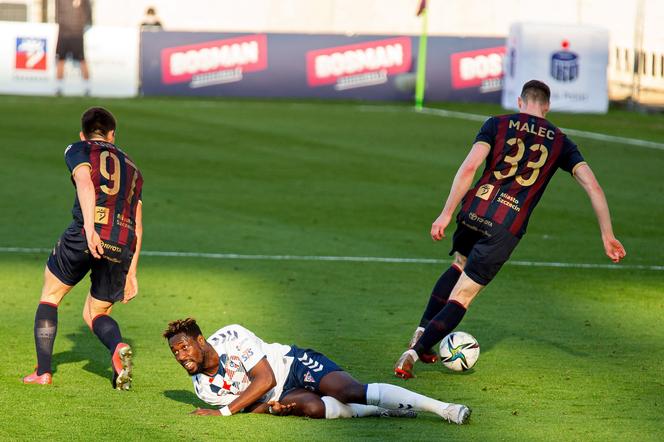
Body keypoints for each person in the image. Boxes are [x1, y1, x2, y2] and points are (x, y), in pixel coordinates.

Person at [394, 80, 626, 379]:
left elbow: (470, 167)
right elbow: (592, 186)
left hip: (474, 209)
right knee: (463, 296)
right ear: (547, 106)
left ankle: (421, 334)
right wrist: (607, 235)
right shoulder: (561, 141)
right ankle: (413, 354)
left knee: (459, 264)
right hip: (506, 225)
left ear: (520, 102)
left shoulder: (497, 124)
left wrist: (446, 212)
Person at [23, 107, 144, 390]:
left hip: (87, 233)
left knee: (51, 295)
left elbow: (84, 184)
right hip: (122, 242)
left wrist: (90, 229)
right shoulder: (133, 168)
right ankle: (117, 347)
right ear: (113, 135)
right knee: (96, 314)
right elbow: (137, 224)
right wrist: (132, 271)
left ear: (83, 134)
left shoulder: (78, 149)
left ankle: (43, 372)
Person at [164, 318, 471, 424]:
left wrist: (223, 415)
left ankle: (443, 409)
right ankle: (382, 411)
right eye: (176, 352)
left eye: (184, 347)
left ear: (201, 341)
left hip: (292, 364)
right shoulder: (202, 389)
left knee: (348, 391)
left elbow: (265, 378)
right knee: (310, 408)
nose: (181, 356)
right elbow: (250, 405)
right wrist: (271, 410)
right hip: (281, 392)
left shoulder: (230, 336)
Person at [55, 0, 92, 96]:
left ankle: (87, 88)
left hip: (77, 33)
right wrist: (61, 22)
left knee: (82, 59)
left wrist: (80, 25)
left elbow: (88, 12)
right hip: (63, 33)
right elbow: (58, 11)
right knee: (61, 59)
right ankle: (59, 88)